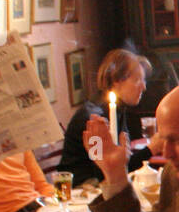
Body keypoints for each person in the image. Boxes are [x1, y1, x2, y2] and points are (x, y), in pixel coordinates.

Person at [56, 48, 153, 185]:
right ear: (116, 80)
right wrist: (153, 148)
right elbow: (107, 172)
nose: (143, 87)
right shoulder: (94, 120)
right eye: (137, 80)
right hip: (82, 191)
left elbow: (120, 166)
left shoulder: (117, 110)